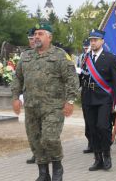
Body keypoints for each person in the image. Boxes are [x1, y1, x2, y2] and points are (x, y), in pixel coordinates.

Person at [11, 22, 79, 181]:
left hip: (53, 107)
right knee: (35, 140)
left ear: (49, 37)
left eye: (40, 33)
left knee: (49, 138)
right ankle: (43, 173)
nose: (36, 37)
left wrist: (70, 101)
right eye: (35, 34)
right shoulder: (26, 56)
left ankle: (57, 167)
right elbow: (17, 78)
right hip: (31, 107)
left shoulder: (59, 55)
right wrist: (15, 97)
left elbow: (72, 79)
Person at [78, 29, 116, 171]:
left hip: (104, 98)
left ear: (102, 41)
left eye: (95, 40)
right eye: (91, 40)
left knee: (103, 127)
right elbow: (82, 77)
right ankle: (98, 159)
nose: (93, 42)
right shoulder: (85, 58)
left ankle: (107, 155)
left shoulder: (110, 58)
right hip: (88, 97)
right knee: (92, 129)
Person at [78, 39, 94, 154]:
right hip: (85, 91)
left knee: (100, 122)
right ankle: (90, 142)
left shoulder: (96, 57)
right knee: (88, 119)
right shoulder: (82, 58)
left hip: (99, 91)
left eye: (87, 47)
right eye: (84, 48)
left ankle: (101, 143)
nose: (86, 49)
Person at [24, 27, 36, 165]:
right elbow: (20, 76)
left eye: (33, 38)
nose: (32, 41)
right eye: (30, 39)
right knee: (31, 129)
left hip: (47, 101)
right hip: (29, 100)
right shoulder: (25, 55)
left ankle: (46, 154)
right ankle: (36, 153)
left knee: (45, 131)